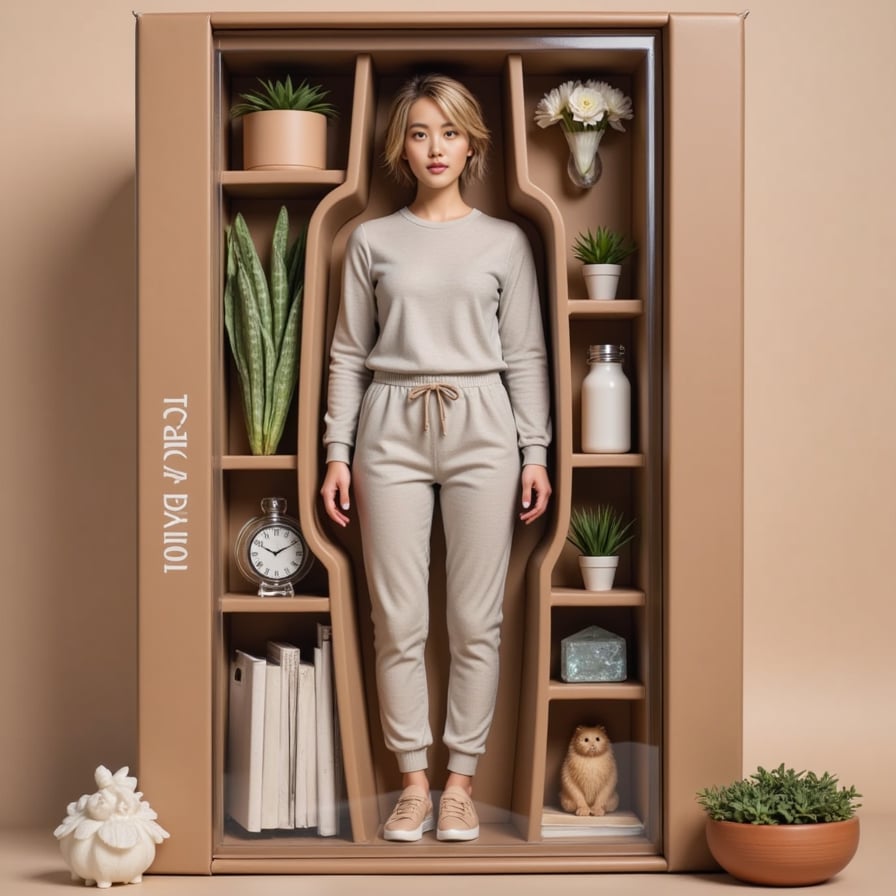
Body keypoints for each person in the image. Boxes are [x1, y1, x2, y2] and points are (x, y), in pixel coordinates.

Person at [320, 73, 552, 843]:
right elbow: (349, 353)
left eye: (449, 131)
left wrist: (534, 450)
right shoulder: (372, 241)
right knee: (399, 620)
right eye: (420, 132)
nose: (435, 147)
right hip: (389, 421)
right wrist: (337, 451)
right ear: (400, 148)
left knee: (475, 618)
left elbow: (525, 354)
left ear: (473, 142)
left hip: (482, 421)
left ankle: (461, 783)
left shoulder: (505, 242)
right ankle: (413, 784)